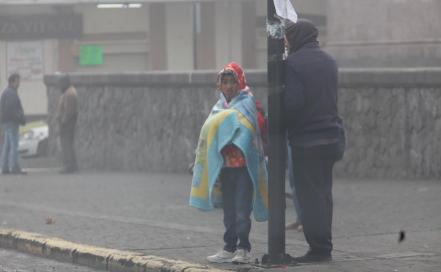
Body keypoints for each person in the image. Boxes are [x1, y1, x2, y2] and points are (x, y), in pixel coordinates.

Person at [189, 62, 268, 264]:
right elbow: (210, 131)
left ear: (240, 82)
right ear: (219, 86)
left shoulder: (248, 103)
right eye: (224, 82)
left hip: (243, 168)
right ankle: (229, 247)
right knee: (229, 210)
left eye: (232, 82)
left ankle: (244, 248)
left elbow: (251, 125)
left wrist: (227, 126)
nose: (229, 86)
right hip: (224, 167)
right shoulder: (218, 107)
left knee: (242, 210)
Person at [283, 19, 345, 263]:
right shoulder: (329, 61)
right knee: (323, 194)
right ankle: (324, 246)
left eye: (287, 40)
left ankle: (318, 249)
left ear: (296, 38)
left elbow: (293, 103)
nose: (286, 45)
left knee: (309, 197)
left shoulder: (293, 64)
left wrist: (278, 121)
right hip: (332, 137)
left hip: (307, 140)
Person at [0, 73, 26, 175]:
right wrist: (20, 118)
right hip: (12, 122)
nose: (19, 83)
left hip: (6, 122)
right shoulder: (11, 93)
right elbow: (12, 110)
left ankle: (5, 167)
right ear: (12, 81)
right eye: (18, 81)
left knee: (7, 145)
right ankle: (14, 167)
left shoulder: (6, 92)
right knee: (14, 145)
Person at [56, 74, 79, 174]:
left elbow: (69, 111)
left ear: (65, 83)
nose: (60, 86)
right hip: (68, 122)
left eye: (61, 83)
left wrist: (63, 121)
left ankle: (69, 165)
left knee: (66, 145)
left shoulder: (69, 93)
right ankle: (72, 165)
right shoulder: (68, 92)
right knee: (68, 144)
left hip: (67, 123)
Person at [285, 143, 303, 232]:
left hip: (302, 140)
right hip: (291, 139)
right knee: (293, 181)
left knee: (300, 181)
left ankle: (305, 221)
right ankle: (300, 219)